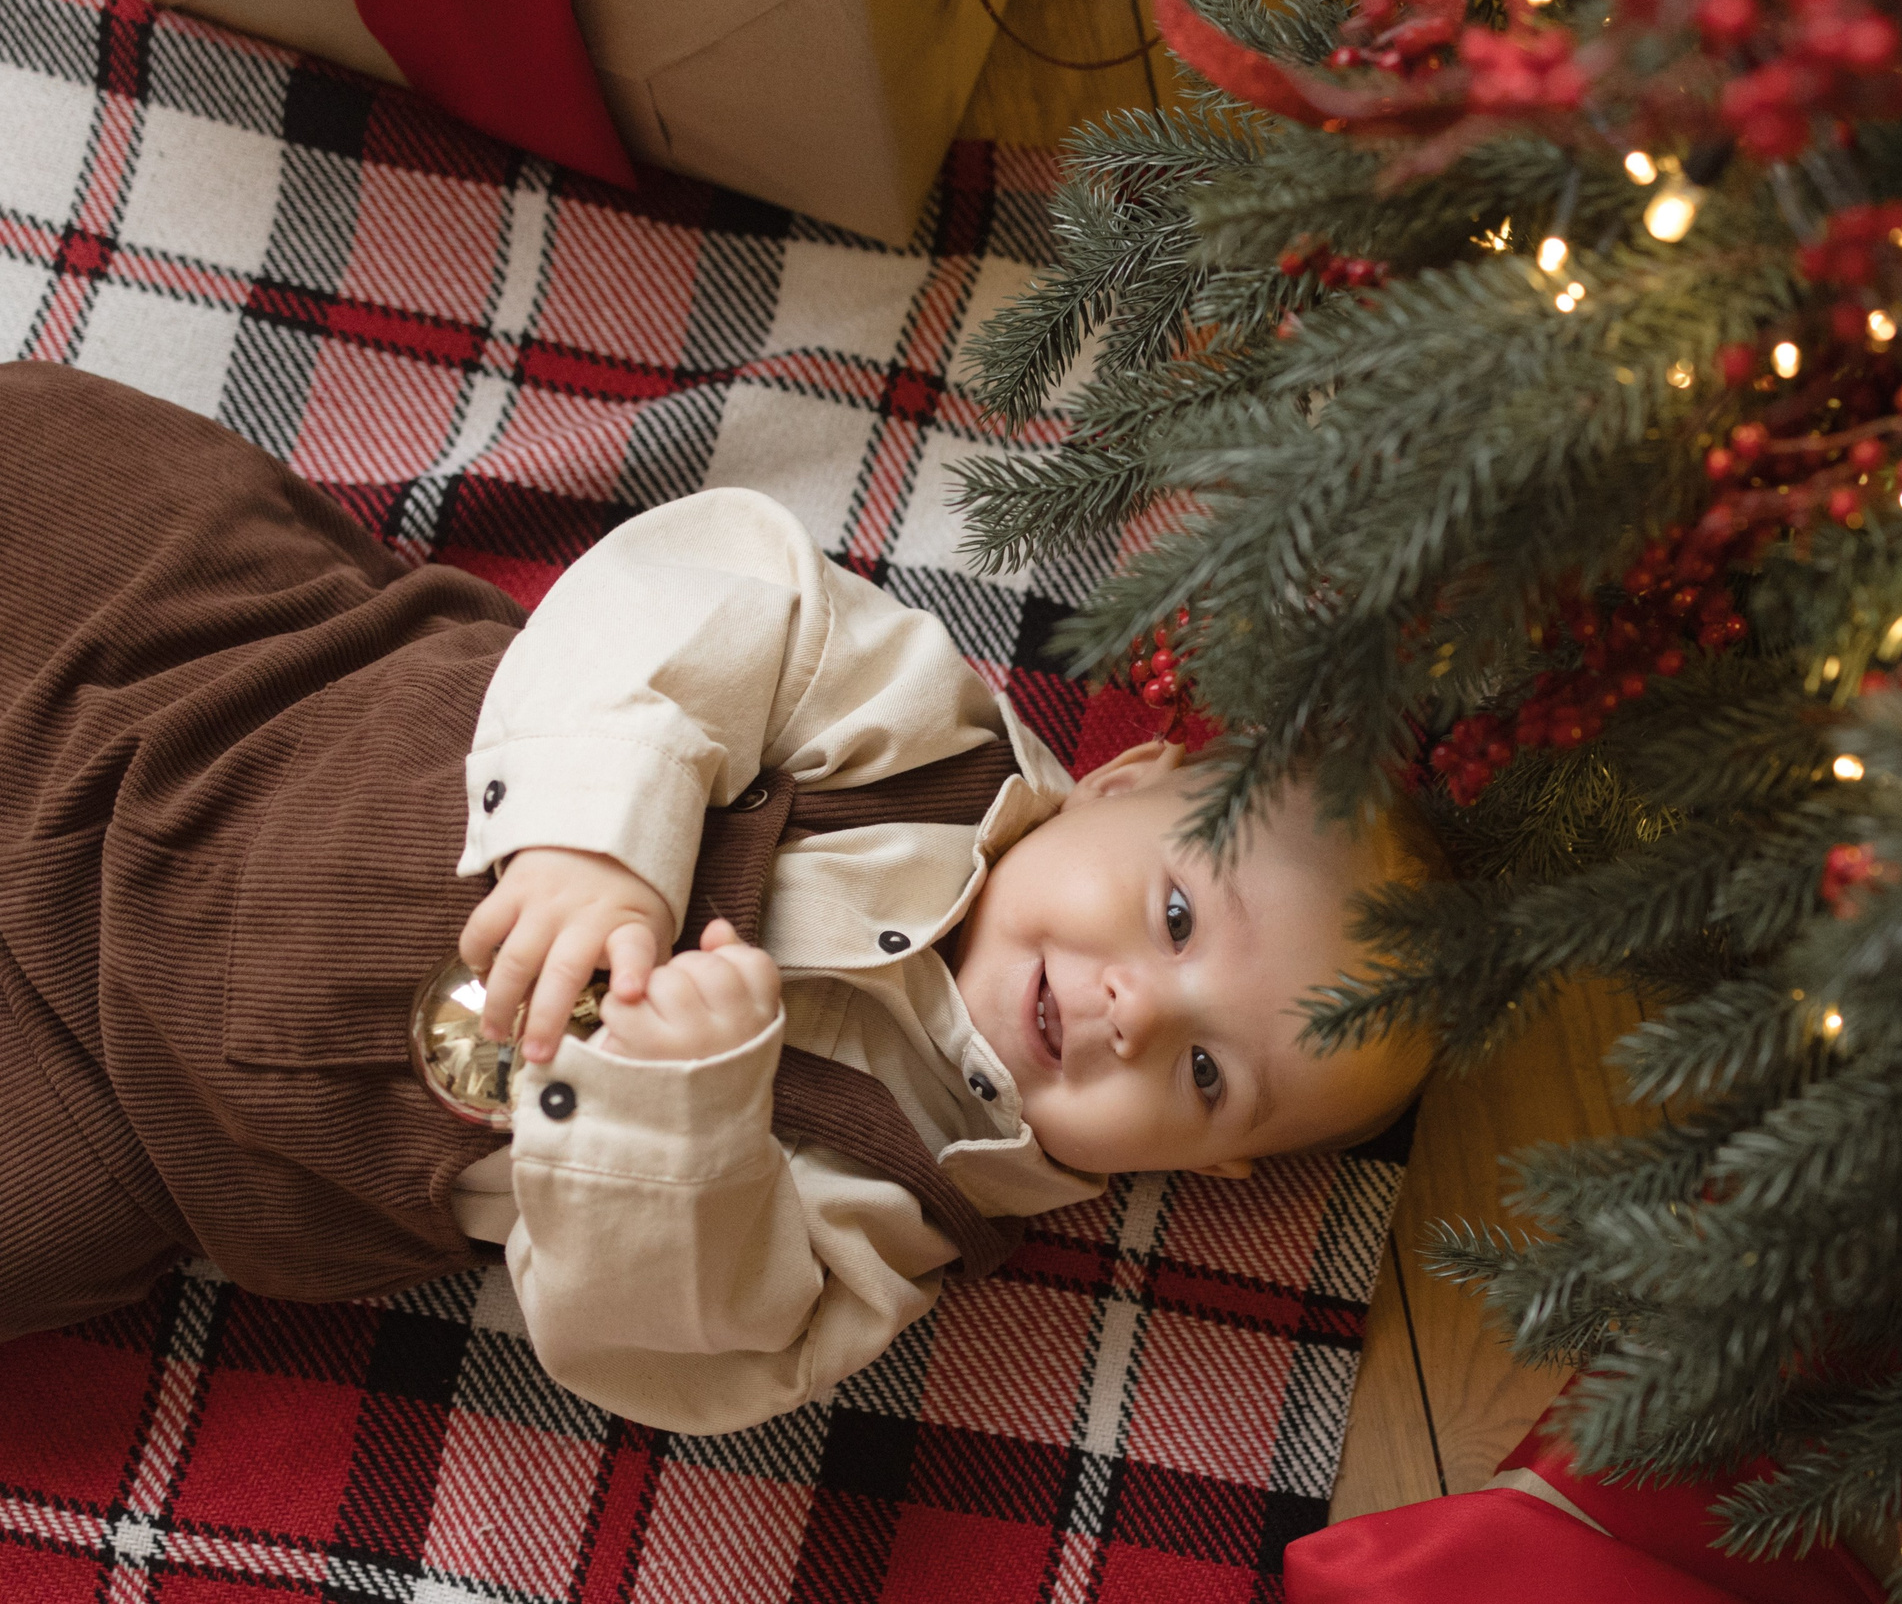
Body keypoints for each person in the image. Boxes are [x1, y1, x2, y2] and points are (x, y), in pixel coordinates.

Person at [0, 361, 1432, 1436]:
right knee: (63, 474)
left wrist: (680, 1113)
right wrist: (599, 837)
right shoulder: (918, 729)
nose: (1133, 1006)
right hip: (233, 682)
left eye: (1202, 1067)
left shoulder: (895, 1216)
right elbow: (710, 587)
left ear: (1206, 1166)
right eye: (1177, 919)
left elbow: (674, 1353)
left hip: (149, 1109)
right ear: (1127, 786)